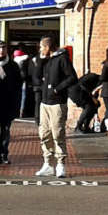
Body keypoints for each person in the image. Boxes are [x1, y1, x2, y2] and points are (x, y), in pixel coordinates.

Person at [35, 36, 77, 177]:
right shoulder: (45, 60)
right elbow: (36, 76)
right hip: (44, 103)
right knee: (44, 133)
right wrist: (41, 59)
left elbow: (72, 77)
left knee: (58, 133)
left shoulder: (62, 58)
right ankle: (47, 164)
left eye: (42, 47)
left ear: (48, 47)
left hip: (57, 103)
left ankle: (60, 164)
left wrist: (57, 89)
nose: (40, 49)